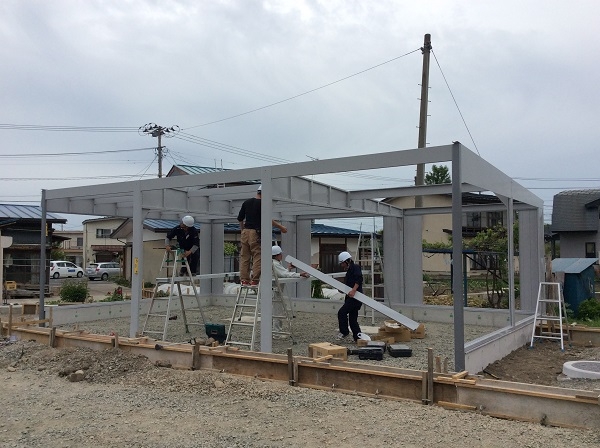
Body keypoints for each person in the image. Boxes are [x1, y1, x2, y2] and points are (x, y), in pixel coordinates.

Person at [237, 185, 287, 286]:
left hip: (245, 232)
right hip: (256, 233)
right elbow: (268, 219)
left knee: (244, 257)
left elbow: (240, 218)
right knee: (258, 256)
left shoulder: (246, 202)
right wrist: (281, 227)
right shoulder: (263, 204)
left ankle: (244, 280)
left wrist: (242, 230)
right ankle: (255, 280)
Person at [271, 245, 310, 336]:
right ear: (276, 255)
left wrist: (288, 268)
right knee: (277, 312)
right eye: (280, 254)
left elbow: (282, 273)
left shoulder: (275, 263)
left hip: (275, 290)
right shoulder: (275, 264)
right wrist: (299, 274)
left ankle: (273, 331)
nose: (282, 255)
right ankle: (276, 333)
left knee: (275, 311)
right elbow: (285, 274)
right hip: (275, 291)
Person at [336, 251, 363, 342]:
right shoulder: (349, 271)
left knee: (342, 312)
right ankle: (358, 337)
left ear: (346, 261)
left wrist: (354, 290)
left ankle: (344, 331)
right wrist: (343, 290)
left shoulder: (355, 267)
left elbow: (359, 279)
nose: (341, 265)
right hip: (351, 297)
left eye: (342, 263)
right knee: (352, 319)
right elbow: (349, 285)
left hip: (355, 298)